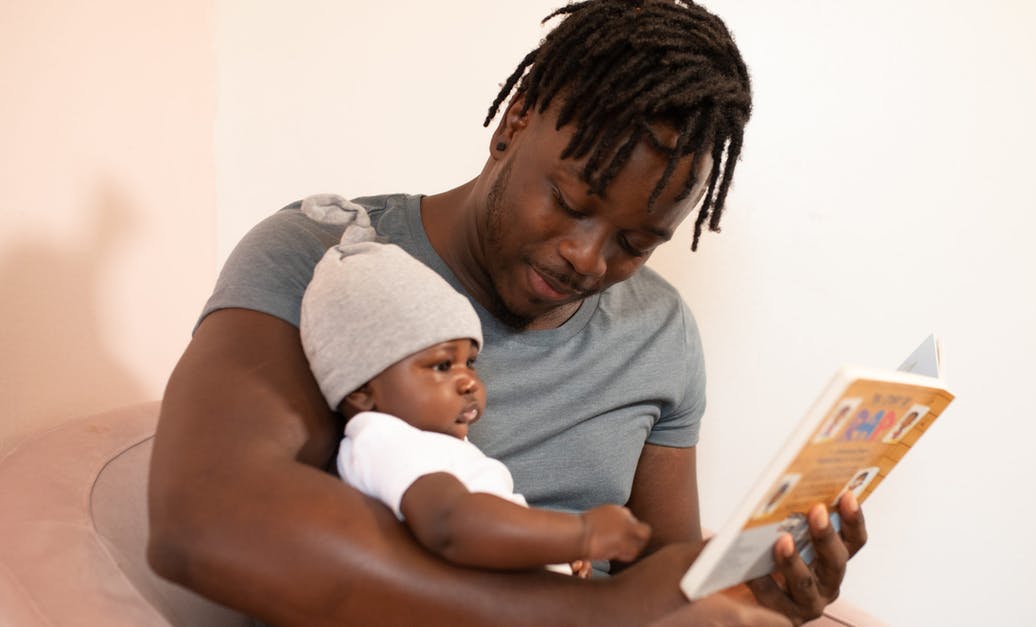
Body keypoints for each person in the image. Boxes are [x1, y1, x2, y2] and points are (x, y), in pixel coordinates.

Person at [147, 1, 868, 624]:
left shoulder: (660, 331)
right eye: (572, 202)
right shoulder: (327, 260)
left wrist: (758, 588)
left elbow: (659, 568)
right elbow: (204, 519)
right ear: (514, 124)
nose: (589, 259)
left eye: (636, 243)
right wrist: (596, 617)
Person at [298, 193, 649, 577]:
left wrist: (548, 557)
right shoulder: (382, 441)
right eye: (442, 365)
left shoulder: (431, 443)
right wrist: (577, 534)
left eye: (470, 362)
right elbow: (451, 525)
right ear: (362, 389)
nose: (467, 380)